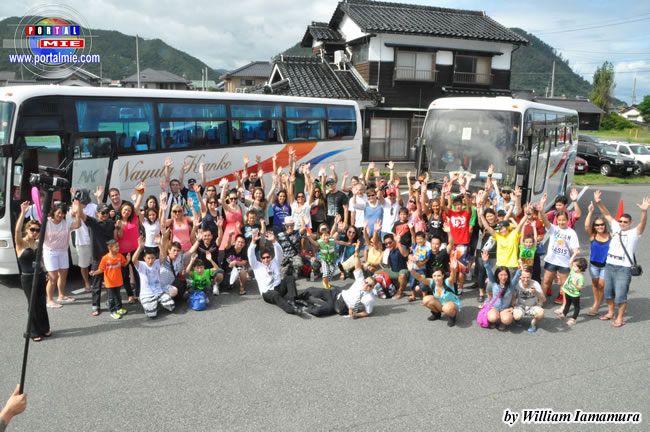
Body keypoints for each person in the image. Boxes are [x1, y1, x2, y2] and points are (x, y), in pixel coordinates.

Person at [595, 191, 648, 327]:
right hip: (609, 265)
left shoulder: (634, 233)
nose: (622, 223)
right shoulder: (616, 227)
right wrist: (599, 202)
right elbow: (606, 214)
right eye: (621, 221)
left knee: (620, 295)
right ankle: (610, 313)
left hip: (624, 268)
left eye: (625, 222)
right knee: (608, 293)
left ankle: (620, 318)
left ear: (630, 223)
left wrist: (644, 211)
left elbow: (642, 224)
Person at [15, 201, 50, 341]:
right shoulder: (21, 243)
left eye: (37, 230)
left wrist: (45, 271)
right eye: (32, 229)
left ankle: (44, 328)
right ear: (27, 229)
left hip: (40, 276)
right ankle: (34, 332)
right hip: (28, 278)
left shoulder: (37, 243)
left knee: (41, 303)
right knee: (32, 304)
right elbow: (17, 231)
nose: (35, 232)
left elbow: (40, 260)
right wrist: (23, 213)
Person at [247, 230, 303, 315]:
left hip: (278, 288)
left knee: (290, 278)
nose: (266, 259)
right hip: (268, 292)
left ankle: (293, 300)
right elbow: (250, 255)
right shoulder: (257, 266)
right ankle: (291, 310)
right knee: (275, 295)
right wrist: (253, 242)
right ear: (261, 259)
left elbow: (280, 252)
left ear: (271, 257)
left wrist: (274, 241)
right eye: (264, 258)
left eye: (268, 257)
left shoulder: (275, 262)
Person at [538, 193, 580, 305]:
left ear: (567, 220)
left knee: (563, 284)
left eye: (563, 220)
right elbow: (544, 219)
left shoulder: (571, 232)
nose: (561, 222)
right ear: (557, 220)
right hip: (551, 260)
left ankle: (565, 305)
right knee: (546, 281)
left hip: (564, 262)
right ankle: (541, 302)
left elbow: (575, 248)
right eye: (559, 220)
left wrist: (575, 254)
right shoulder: (553, 229)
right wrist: (541, 206)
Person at [78, 203, 115, 316]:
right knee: (96, 284)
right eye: (102, 213)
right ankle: (96, 306)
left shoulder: (111, 223)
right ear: (97, 213)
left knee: (111, 283)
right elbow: (81, 214)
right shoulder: (93, 222)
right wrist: (78, 203)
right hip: (97, 259)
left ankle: (112, 303)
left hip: (110, 258)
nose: (105, 214)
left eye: (106, 212)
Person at [43, 201, 81, 308]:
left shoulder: (66, 223)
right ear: (54, 212)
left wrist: (77, 213)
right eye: (59, 212)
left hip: (63, 251)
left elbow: (78, 225)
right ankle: (49, 300)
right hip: (50, 252)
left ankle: (61, 296)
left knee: (63, 275)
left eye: (63, 213)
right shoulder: (46, 222)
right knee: (53, 278)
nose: (61, 215)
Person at [408, 255, 461, 327]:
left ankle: (452, 317)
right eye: (434, 276)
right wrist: (411, 270)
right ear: (432, 276)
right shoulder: (431, 282)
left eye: (439, 275)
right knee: (425, 299)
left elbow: (453, 277)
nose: (436, 278)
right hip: (440, 304)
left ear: (443, 276)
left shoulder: (448, 282)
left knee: (446, 308)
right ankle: (437, 314)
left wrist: (453, 269)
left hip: (452, 305)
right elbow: (419, 277)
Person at [132, 237, 177, 318]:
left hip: (158, 291)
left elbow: (163, 256)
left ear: (155, 258)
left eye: (152, 258)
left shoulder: (156, 263)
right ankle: (147, 303)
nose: (150, 260)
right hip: (147, 294)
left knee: (171, 306)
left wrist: (159, 244)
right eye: (148, 258)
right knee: (152, 315)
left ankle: (156, 302)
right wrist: (140, 247)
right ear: (144, 258)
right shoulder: (141, 265)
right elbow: (133, 260)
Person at [481, 250, 521, 330]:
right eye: (501, 275)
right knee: (492, 318)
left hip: (505, 309)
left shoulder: (511, 285)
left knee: (507, 320)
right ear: (497, 275)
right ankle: (495, 319)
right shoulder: (494, 282)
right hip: (494, 307)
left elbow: (517, 276)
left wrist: (520, 269)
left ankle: (502, 321)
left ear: (508, 275)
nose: (503, 277)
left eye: (505, 275)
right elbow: (489, 272)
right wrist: (485, 262)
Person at [583, 201, 611, 316]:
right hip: (593, 265)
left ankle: (597, 305)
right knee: (595, 284)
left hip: (605, 266)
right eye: (597, 225)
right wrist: (590, 212)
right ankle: (596, 301)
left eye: (602, 224)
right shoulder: (592, 236)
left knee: (601, 285)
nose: (600, 227)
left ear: (605, 225)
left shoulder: (611, 235)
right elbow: (586, 226)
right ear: (594, 227)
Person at [90, 239, 129, 320]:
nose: (118, 248)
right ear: (110, 248)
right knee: (111, 298)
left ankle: (119, 308)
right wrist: (94, 272)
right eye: (116, 247)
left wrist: (128, 260)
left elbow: (124, 264)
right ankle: (112, 311)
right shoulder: (105, 258)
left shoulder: (120, 256)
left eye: (118, 246)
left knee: (118, 296)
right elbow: (101, 269)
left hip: (118, 281)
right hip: (109, 283)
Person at [556, 257, 588, 326]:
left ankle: (573, 319)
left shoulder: (580, 277)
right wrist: (575, 254)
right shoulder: (573, 271)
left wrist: (575, 284)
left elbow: (580, 287)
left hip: (574, 294)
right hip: (567, 291)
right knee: (567, 304)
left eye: (575, 266)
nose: (573, 267)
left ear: (580, 268)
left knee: (576, 307)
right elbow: (570, 262)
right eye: (573, 266)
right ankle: (564, 314)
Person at [512, 268, 545, 333]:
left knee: (541, 314)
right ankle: (518, 319)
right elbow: (513, 297)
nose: (526, 280)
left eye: (528, 277)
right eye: (523, 277)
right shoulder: (517, 284)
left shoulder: (535, 283)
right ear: (520, 277)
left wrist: (535, 292)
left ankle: (533, 324)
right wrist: (513, 306)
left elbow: (543, 299)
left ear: (531, 276)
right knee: (516, 316)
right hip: (521, 305)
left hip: (533, 306)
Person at [379, 233, 409, 299]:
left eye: (390, 242)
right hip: (393, 272)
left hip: (404, 271)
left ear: (394, 241)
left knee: (402, 275)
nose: (388, 245)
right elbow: (374, 244)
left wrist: (398, 242)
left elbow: (405, 254)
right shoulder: (388, 250)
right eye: (386, 244)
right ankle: (382, 290)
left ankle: (400, 292)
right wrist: (375, 231)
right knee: (377, 273)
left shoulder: (401, 246)